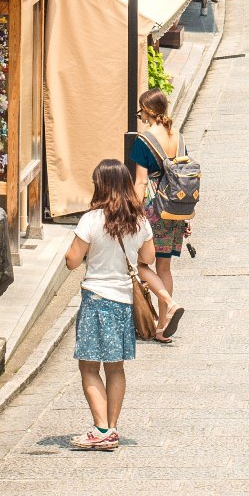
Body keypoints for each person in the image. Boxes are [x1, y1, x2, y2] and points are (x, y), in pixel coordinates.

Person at [63, 158, 152, 450]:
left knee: (88, 367)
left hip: (97, 299)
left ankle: (101, 429)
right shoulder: (140, 220)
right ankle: (111, 428)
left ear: (101, 185)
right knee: (115, 368)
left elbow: (71, 261)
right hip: (123, 301)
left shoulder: (92, 219)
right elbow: (148, 259)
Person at [125, 89, 189, 338]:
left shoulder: (145, 140)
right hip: (176, 207)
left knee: (139, 263)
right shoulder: (179, 137)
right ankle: (163, 326)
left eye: (141, 109)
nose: (139, 113)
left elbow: (140, 182)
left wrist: (132, 211)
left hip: (154, 208)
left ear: (149, 110)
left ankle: (170, 306)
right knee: (164, 266)